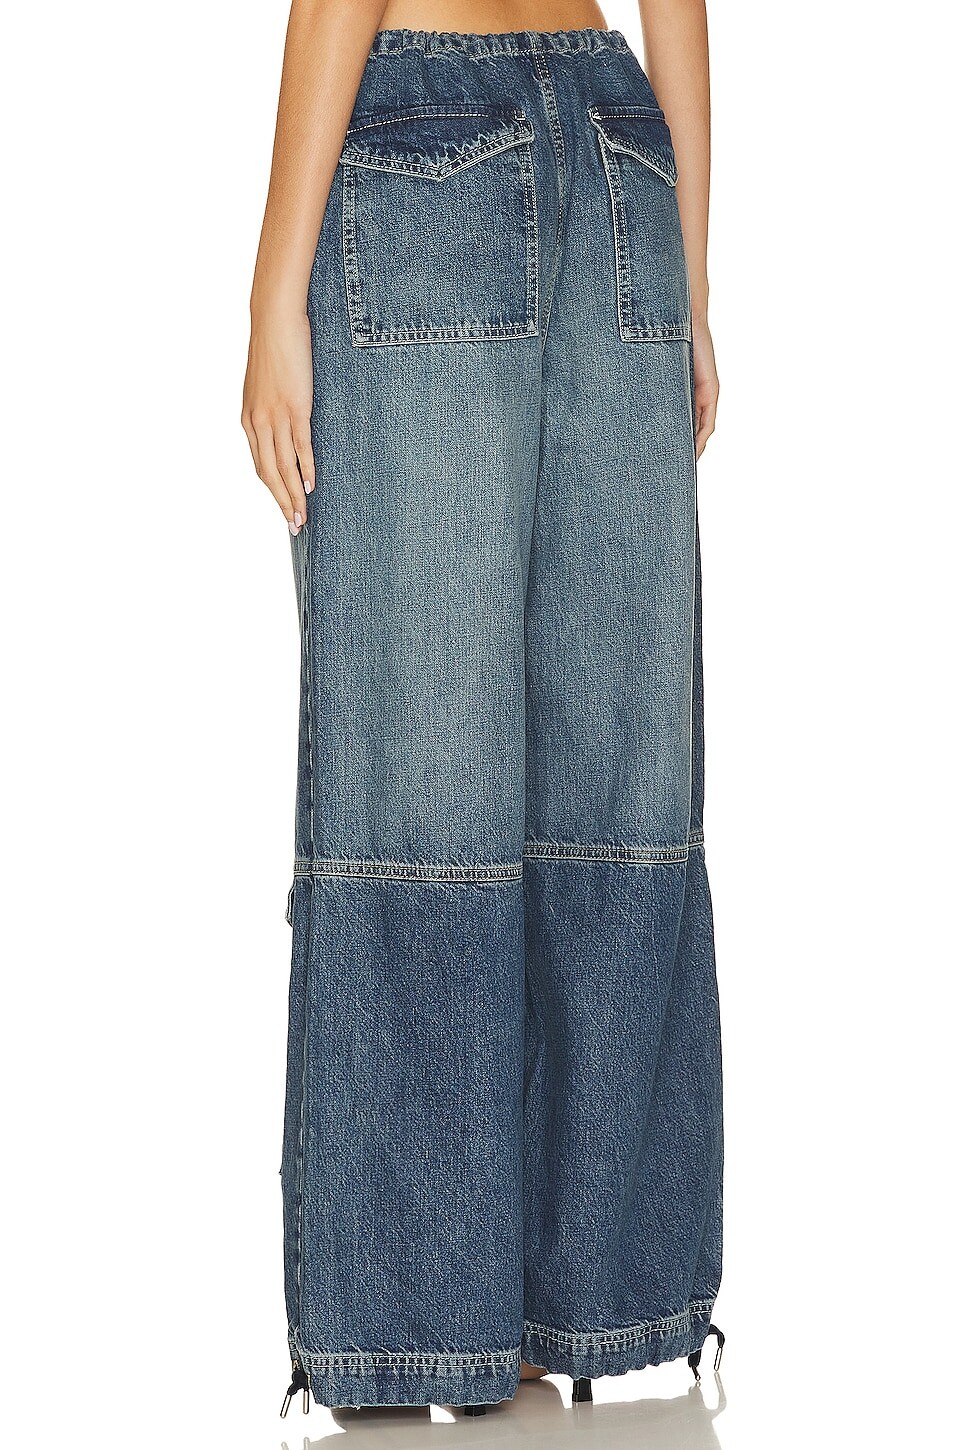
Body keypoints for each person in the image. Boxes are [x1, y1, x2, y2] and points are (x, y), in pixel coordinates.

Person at [242, 0, 725, 1416]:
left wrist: (273, 291)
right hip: (624, 152)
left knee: (417, 756)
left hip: (428, 146)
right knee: (613, 762)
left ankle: (419, 1313)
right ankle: (579, 1292)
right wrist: (690, 283)